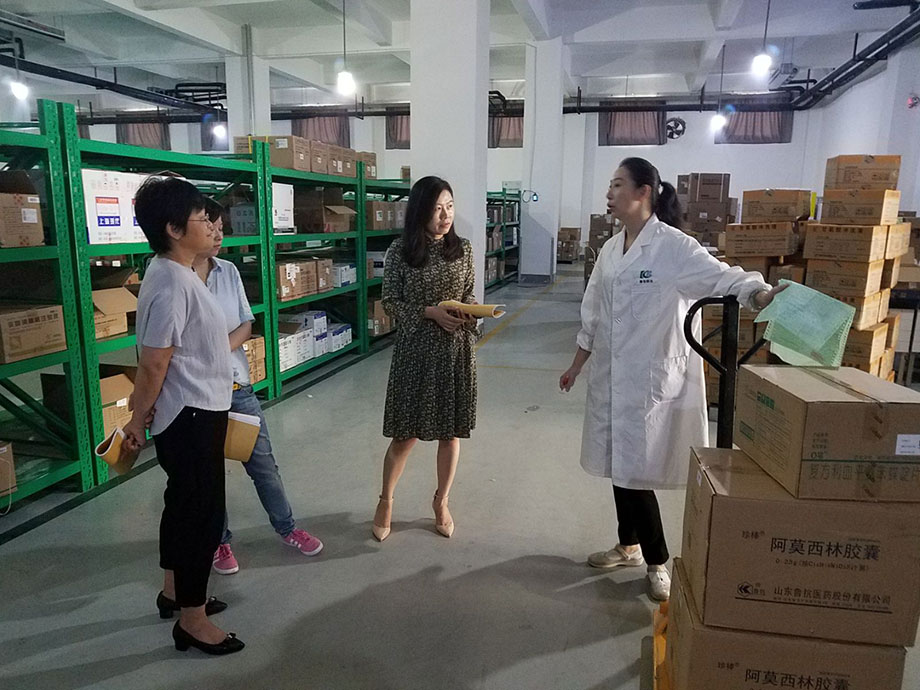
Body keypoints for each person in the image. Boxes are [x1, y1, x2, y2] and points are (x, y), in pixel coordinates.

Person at [559, 157, 783, 602]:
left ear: (643, 192)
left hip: (650, 380)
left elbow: (721, 276)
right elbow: (594, 312)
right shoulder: (611, 249)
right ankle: (628, 545)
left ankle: (657, 561)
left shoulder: (674, 247)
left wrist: (757, 292)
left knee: (636, 473)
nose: (609, 193)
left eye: (617, 184)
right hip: (613, 375)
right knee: (620, 466)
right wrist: (578, 363)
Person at [124, 177, 244, 655]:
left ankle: (174, 593)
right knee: (201, 517)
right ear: (174, 229)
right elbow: (154, 362)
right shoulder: (173, 283)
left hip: (194, 410)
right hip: (191, 414)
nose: (212, 225)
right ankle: (193, 621)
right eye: (201, 218)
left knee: (181, 506)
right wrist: (137, 419)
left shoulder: (174, 270)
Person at [194, 197, 323, 575]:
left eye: (222, 229)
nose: (218, 236)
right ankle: (219, 541)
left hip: (237, 387)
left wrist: (218, 351)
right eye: (211, 228)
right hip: (197, 396)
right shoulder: (175, 277)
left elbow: (246, 324)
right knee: (209, 475)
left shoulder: (228, 271)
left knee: (263, 465)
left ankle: (288, 528)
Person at [372, 176, 478, 542]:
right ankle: (386, 500)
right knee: (405, 436)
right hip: (415, 354)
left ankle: (441, 502)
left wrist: (469, 312)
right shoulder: (400, 251)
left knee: (450, 435)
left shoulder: (463, 249)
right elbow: (389, 302)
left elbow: (468, 293)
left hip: (454, 353)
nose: (445, 216)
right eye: (436, 209)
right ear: (420, 211)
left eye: (449, 206)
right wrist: (430, 312)